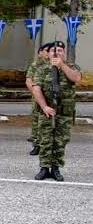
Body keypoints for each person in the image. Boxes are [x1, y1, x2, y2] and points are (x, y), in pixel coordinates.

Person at [31, 41, 81, 182]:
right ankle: (44, 168)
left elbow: (76, 78)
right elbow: (36, 89)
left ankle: (56, 168)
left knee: (60, 142)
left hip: (64, 113)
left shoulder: (71, 67)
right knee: (45, 140)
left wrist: (61, 66)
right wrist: (44, 106)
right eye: (53, 51)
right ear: (49, 54)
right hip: (46, 112)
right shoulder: (42, 69)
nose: (56, 53)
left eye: (59, 50)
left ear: (63, 53)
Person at [26, 43, 50, 155]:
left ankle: (49, 147)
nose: (47, 53)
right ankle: (36, 145)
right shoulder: (35, 65)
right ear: (40, 52)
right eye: (45, 50)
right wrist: (37, 94)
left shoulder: (55, 65)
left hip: (51, 99)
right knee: (37, 122)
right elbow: (29, 81)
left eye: (49, 51)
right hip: (38, 98)